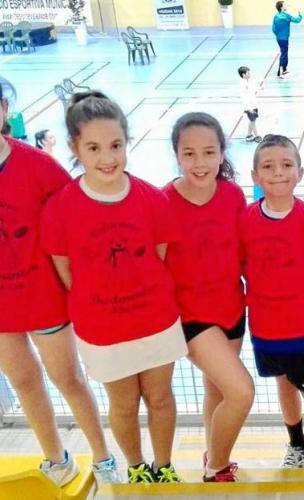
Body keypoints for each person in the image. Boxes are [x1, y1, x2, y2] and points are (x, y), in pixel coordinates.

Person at [41, 91, 188, 484]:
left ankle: (163, 465)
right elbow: (65, 270)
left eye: (116, 145)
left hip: (155, 322)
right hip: (102, 330)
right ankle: (137, 467)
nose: (108, 157)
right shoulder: (60, 207)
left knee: (160, 398)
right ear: (74, 148)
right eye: (94, 147)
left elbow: (159, 258)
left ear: (127, 142)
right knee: (123, 405)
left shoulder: (152, 199)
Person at [0, 84, 119, 487]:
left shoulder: (38, 167)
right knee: (23, 380)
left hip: (42, 297)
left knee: (68, 380)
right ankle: (56, 460)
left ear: (4, 108)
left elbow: (76, 219)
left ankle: (103, 458)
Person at [163, 112, 255, 482]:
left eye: (209, 152)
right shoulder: (163, 201)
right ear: (177, 155)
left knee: (217, 388)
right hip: (191, 318)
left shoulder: (233, 195)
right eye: (189, 153)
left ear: (221, 153)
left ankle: (212, 451)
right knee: (241, 392)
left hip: (232, 308)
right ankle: (216, 467)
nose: (200, 163)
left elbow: (244, 253)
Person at [239, 134, 304, 468]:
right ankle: (295, 444)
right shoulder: (245, 219)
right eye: (268, 166)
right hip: (264, 328)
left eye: (286, 165)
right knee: (284, 385)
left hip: (303, 330)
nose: (278, 172)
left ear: (300, 173)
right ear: (255, 176)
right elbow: (242, 265)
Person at [272, 1, 303, 78]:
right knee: (284, 54)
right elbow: (297, 20)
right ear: (281, 7)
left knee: (283, 53)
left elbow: (273, 29)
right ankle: (282, 71)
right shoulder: (286, 16)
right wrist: (300, 14)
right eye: (285, 5)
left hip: (279, 38)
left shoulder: (276, 16)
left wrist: (278, 35)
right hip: (284, 38)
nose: (286, 6)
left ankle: (283, 70)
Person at [238, 67, 263, 143]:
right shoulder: (242, 84)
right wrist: (248, 108)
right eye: (248, 73)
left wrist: (260, 88)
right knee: (252, 121)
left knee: (252, 120)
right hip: (249, 106)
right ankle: (257, 136)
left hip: (254, 104)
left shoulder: (248, 81)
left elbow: (252, 90)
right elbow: (244, 97)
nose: (250, 74)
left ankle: (249, 135)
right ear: (243, 74)